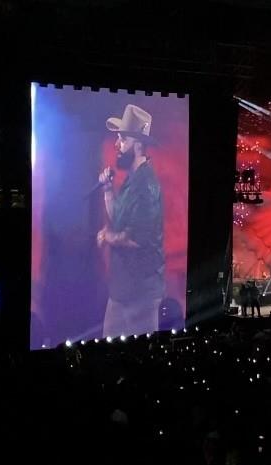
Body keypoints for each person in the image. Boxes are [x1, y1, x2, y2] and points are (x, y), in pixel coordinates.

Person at [97, 104, 164, 338]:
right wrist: (107, 190)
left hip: (140, 294)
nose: (117, 145)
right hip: (123, 290)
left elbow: (136, 238)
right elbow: (118, 219)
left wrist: (108, 236)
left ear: (137, 144)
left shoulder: (145, 184)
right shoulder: (132, 179)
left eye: (122, 140)